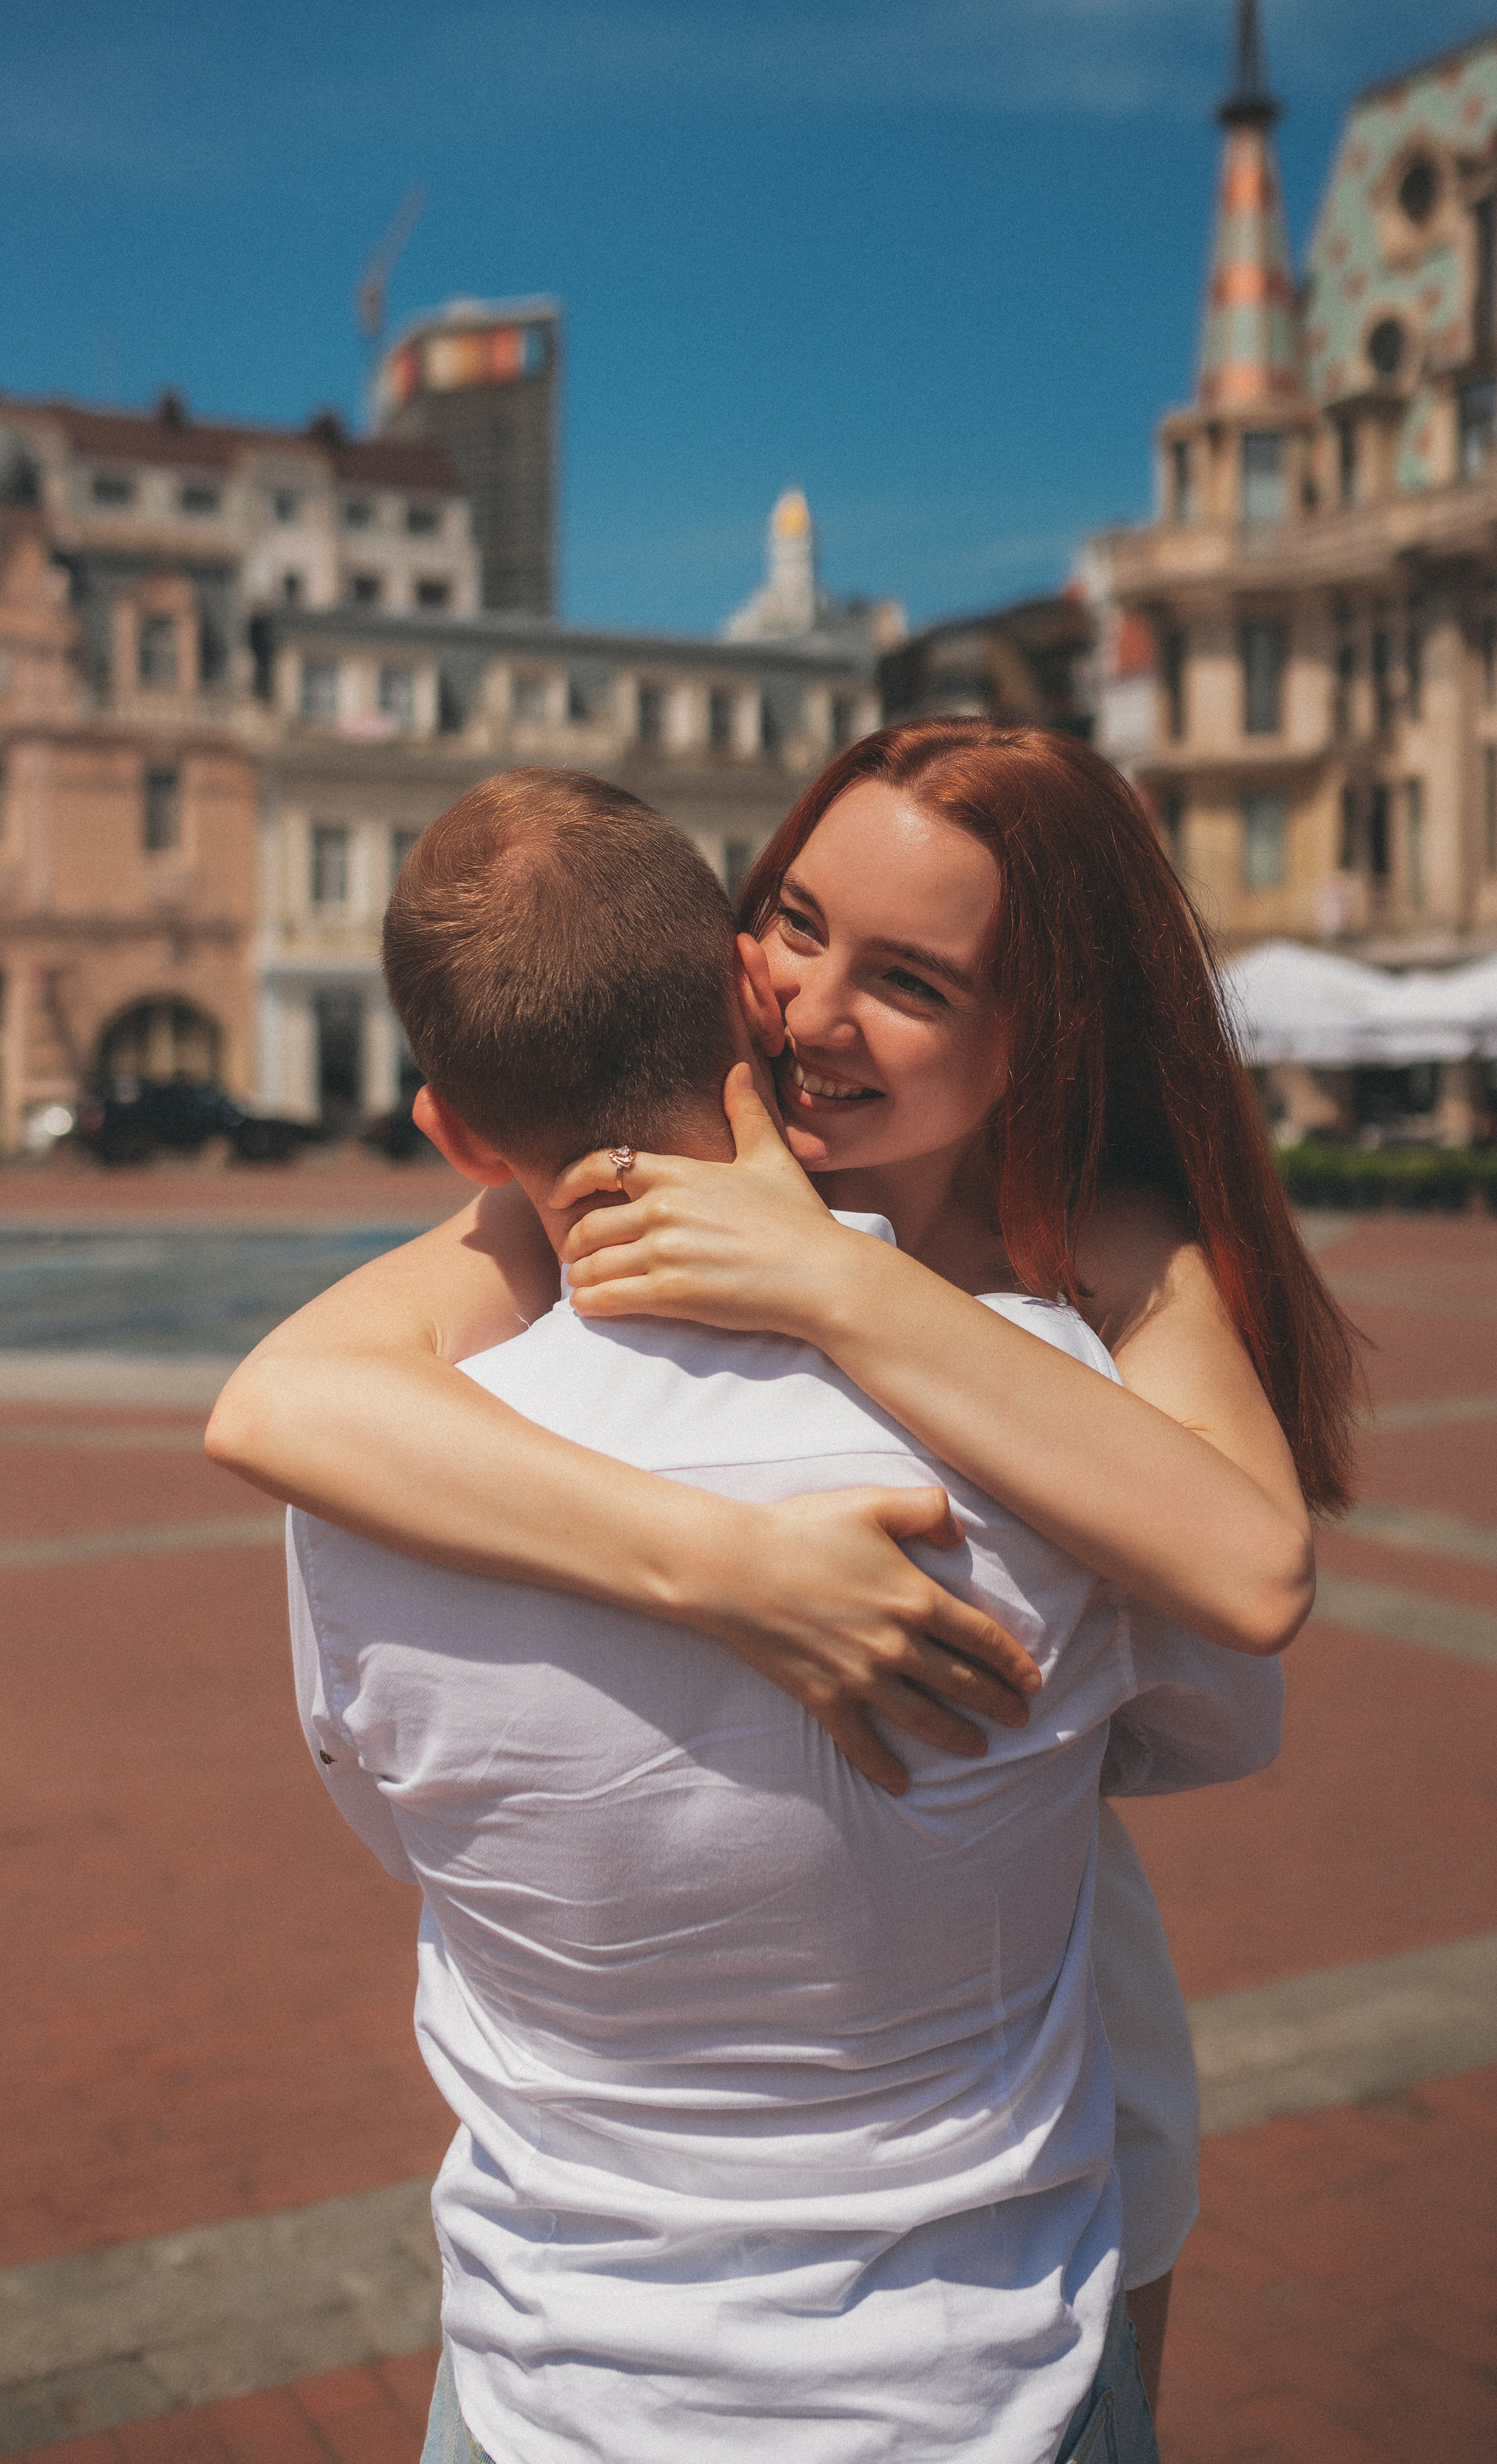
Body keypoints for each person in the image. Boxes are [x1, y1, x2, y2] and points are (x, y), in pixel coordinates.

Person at [209, 728, 1358, 2393]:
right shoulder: (581, 1211)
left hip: (1042, 2055)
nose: (813, 1013)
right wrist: (728, 1565)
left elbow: (1252, 1572)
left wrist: (834, 1282)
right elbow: (282, 1399)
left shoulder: (1099, 1247)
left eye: (910, 980)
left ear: (1043, 1033)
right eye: (797, 924)